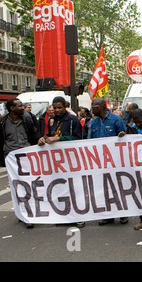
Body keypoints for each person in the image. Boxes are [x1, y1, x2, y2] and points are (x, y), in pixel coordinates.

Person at [38, 96, 83, 228]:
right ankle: (63, 215)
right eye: (55, 108)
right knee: (60, 187)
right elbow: (48, 134)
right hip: (56, 160)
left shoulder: (73, 120)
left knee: (73, 187)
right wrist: (43, 139)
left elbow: (77, 138)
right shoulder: (51, 120)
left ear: (65, 107)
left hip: (71, 158)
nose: (57, 110)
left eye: (60, 108)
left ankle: (79, 216)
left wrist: (58, 139)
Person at [86, 97, 127, 226]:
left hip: (115, 161)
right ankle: (108, 215)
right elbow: (89, 141)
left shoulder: (116, 120)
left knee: (117, 187)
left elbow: (124, 138)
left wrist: (121, 137)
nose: (92, 109)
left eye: (94, 106)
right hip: (100, 162)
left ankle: (122, 214)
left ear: (103, 107)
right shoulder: (93, 122)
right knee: (103, 189)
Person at [0, 98, 39, 228]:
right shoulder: (3, 122)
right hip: (11, 158)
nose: (22, 107)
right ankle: (22, 213)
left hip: (27, 156)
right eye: (20, 106)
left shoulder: (27, 120)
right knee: (17, 187)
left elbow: (34, 136)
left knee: (29, 185)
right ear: (12, 108)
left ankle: (30, 212)